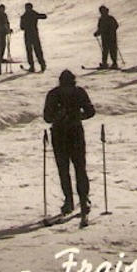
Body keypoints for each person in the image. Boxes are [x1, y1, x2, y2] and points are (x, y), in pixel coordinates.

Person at [43, 71, 96, 217]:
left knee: (79, 167)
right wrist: (57, 116)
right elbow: (47, 117)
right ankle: (69, 200)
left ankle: (83, 198)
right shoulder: (53, 95)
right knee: (63, 169)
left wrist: (77, 115)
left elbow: (91, 111)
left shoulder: (79, 93)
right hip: (59, 134)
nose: (68, 89)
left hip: (75, 133)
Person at [19, 3, 48, 73]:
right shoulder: (33, 14)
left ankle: (32, 66)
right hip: (34, 34)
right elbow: (44, 16)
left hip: (28, 35)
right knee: (37, 50)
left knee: (30, 51)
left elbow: (22, 27)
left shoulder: (24, 16)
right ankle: (41, 64)